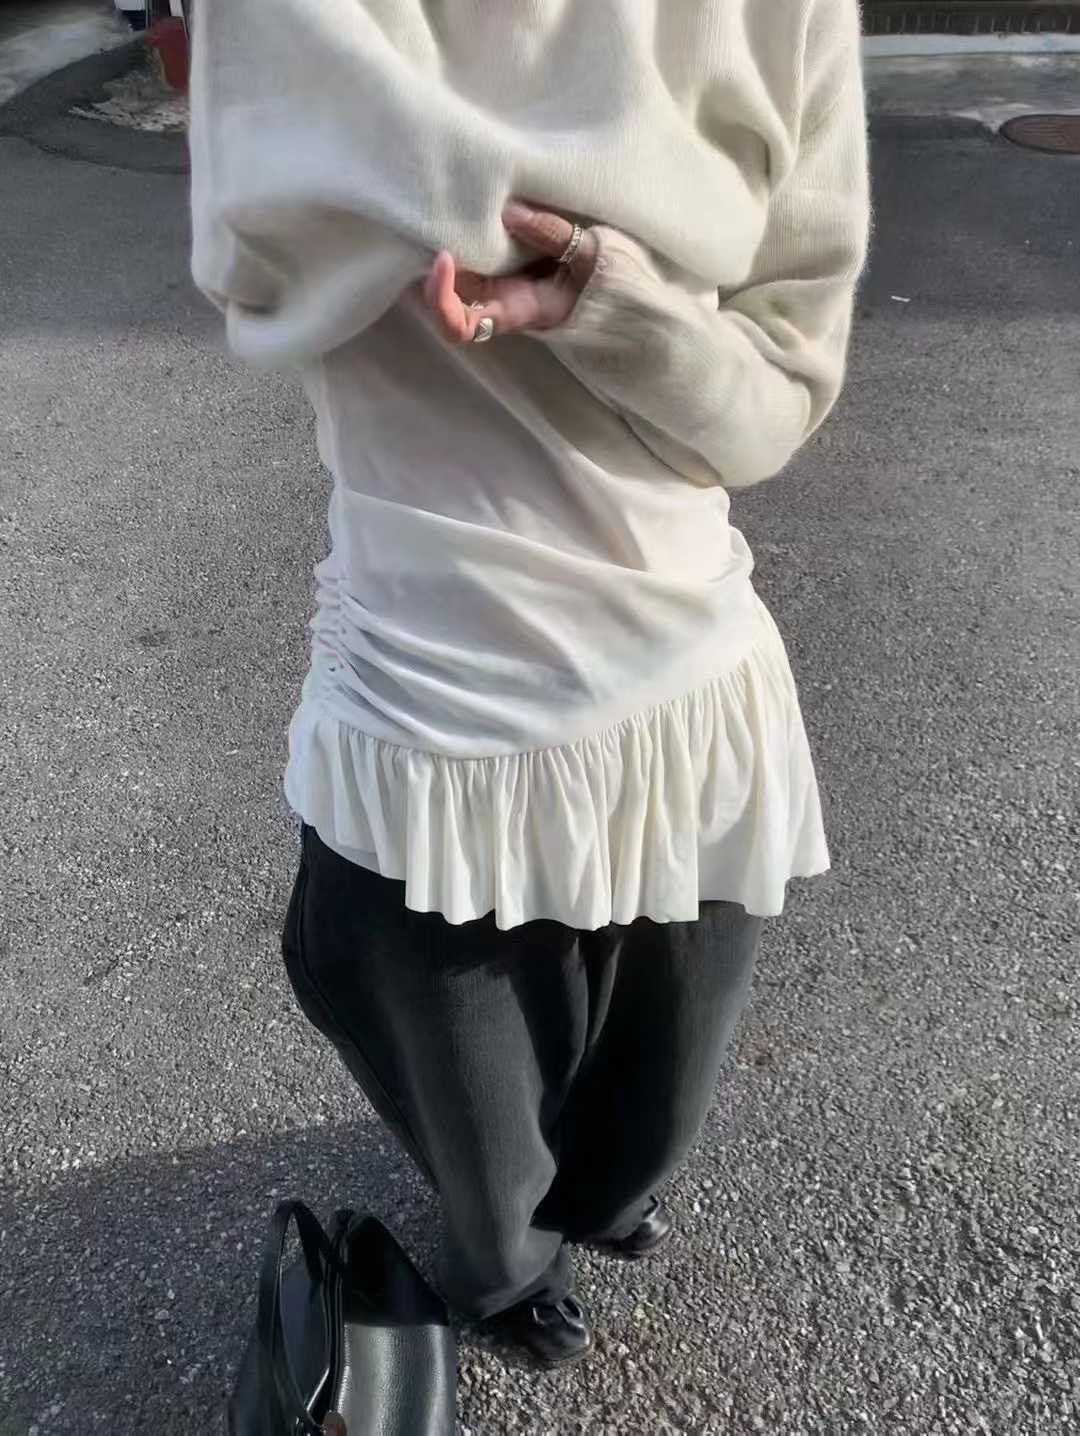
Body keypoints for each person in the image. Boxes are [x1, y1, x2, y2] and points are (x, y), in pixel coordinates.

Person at [189, 0, 869, 1368]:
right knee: (474, 1117)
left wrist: (607, 298)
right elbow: (252, 254)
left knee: (660, 1086)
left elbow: (778, 398)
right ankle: (503, 1274)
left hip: (683, 678)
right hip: (427, 688)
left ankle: (601, 1202)